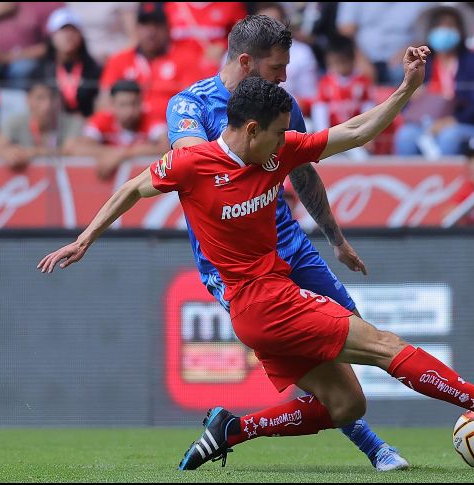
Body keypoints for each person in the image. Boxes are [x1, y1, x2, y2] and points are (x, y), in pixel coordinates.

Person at [37, 49, 474, 472]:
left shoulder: (275, 153)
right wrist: (84, 239)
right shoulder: (193, 163)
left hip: (263, 306)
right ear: (251, 129)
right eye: (279, 133)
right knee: (385, 345)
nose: (287, 142)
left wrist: (406, 90)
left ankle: (232, 429)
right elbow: (131, 188)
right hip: (263, 300)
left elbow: (356, 132)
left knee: (348, 404)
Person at [166, 15, 407, 472]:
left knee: (354, 335)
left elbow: (302, 169)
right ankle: (375, 448)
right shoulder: (189, 107)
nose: (284, 76)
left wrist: (335, 238)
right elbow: (193, 163)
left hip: (291, 246)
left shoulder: (282, 104)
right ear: (245, 61)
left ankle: (235, 429)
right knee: (313, 361)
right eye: (276, 67)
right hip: (234, 266)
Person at [393, 6, 474, 157]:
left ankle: (444, 180)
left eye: (450, 26)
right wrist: (410, 94)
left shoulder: (473, 61)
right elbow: (402, 104)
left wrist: (453, 120)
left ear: (460, 31)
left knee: (449, 137)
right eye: (439, 26)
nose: (444, 31)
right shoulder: (422, 60)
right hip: (424, 123)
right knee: (405, 136)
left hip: (463, 123)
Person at [68, 80, 169, 180]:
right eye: (123, 105)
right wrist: (112, 153)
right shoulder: (101, 120)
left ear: (141, 102)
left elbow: (166, 147)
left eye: (134, 104)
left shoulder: (151, 119)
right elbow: (74, 147)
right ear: (112, 104)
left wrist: (122, 154)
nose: (129, 111)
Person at [0, 80, 82, 171]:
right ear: (28, 99)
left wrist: (33, 153)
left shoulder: (72, 123)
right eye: (40, 98)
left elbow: (70, 151)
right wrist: (8, 153)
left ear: (59, 100)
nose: (47, 105)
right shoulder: (14, 122)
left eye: (52, 98)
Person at [30, 7, 101, 118]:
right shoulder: (40, 71)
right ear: (52, 36)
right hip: (52, 126)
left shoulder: (93, 69)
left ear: (80, 36)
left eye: (73, 30)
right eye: (63, 30)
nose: (68, 35)